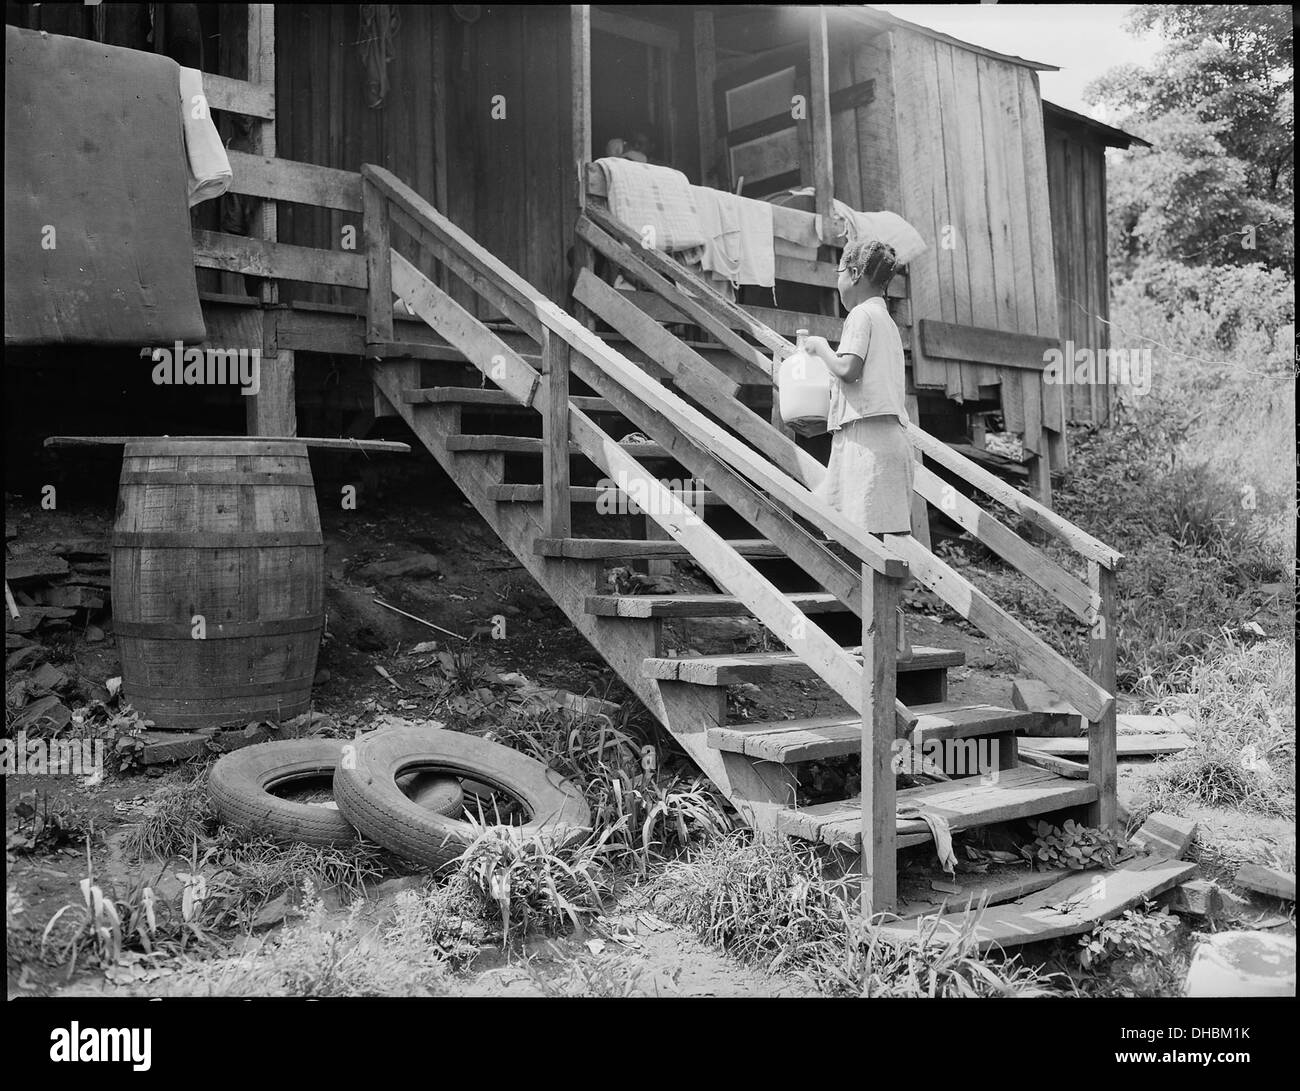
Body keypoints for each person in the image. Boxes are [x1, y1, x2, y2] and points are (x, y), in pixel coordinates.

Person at [800, 238, 914, 656]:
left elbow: (849, 369)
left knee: (867, 545)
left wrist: (819, 349)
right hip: (878, 437)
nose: (838, 285)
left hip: (869, 441)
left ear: (855, 275)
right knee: (875, 544)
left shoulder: (861, 316)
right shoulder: (883, 318)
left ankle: (882, 639)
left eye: (839, 275)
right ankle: (889, 638)